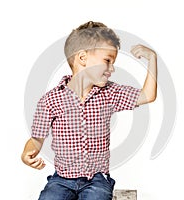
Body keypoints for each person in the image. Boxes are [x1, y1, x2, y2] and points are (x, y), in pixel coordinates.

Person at [21, 21, 157, 200]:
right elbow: (37, 138)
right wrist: (27, 153)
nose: (112, 68)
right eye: (107, 60)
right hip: (61, 180)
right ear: (82, 58)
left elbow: (147, 95)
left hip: (96, 181)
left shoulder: (110, 93)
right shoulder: (51, 100)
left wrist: (152, 59)